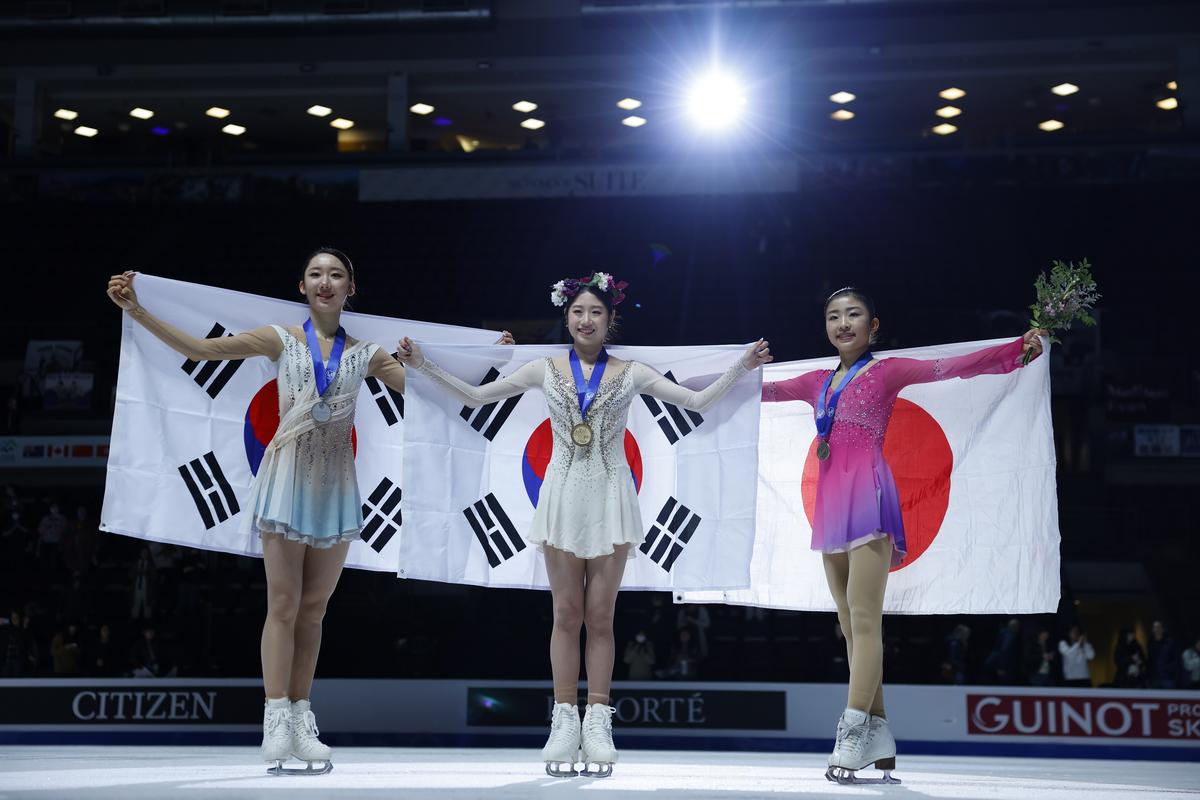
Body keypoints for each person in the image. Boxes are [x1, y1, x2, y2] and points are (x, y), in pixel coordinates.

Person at [107, 250, 498, 774]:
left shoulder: (368, 354)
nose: (325, 281)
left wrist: (489, 357)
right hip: (287, 479)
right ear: (302, 285)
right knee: (285, 605)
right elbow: (200, 351)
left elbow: (435, 390)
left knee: (314, 611)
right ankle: (273, 719)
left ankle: (300, 716)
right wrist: (137, 311)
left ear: (350, 287)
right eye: (316, 274)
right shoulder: (279, 338)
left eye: (335, 274)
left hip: (336, 486)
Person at [397, 272, 770, 777]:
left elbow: (697, 404)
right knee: (565, 614)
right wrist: (423, 365)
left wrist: (741, 367)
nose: (586, 319)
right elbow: (477, 397)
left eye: (595, 312)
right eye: (578, 312)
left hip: (613, 495)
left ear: (609, 318)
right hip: (562, 493)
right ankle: (563, 719)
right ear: (566, 317)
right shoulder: (543, 367)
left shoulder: (631, 371)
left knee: (600, 616)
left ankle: (598, 720)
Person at [762, 286, 1047, 785]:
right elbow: (759, 392)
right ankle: (879, 734)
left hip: (869, 496)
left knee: (866, 619)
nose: (843, 323)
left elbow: (954, 367)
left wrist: (1014, 350)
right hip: (830, 504)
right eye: (833, 316)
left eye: (853, 315)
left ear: (873, 326)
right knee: (848, 624)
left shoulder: (887, 371)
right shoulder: (815, 382)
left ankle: (852, 730)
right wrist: (712, 372)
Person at [1147, 620, 1179, 689]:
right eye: (1155, 627)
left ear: (1162, 629)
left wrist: (1167, 669)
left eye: (1159, 627)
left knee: (1169, 698)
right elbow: (1149, 660)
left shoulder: (1170, 643)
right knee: (1155, 698)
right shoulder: (1150, 643)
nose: (1157, 629)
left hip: (1167, 678)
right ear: (1153, 629)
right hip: (1154, 678)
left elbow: (1176, 659)